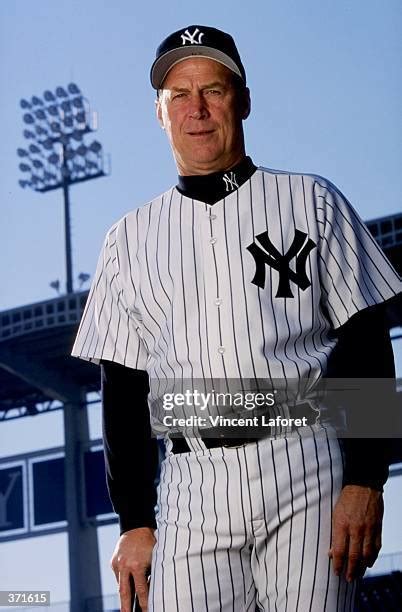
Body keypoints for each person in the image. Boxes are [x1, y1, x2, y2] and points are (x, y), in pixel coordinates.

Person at [72, 25, 402, 612]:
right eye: (180, 95)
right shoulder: (127, 238)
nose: (197, 109)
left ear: (242, 100)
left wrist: (366, 479)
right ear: (160, 113)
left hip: (305, 462)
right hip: (192, 483)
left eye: (214, 90)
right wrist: (134, 521)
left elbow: (367, 343)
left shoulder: (312, 201)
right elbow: (122, 390)